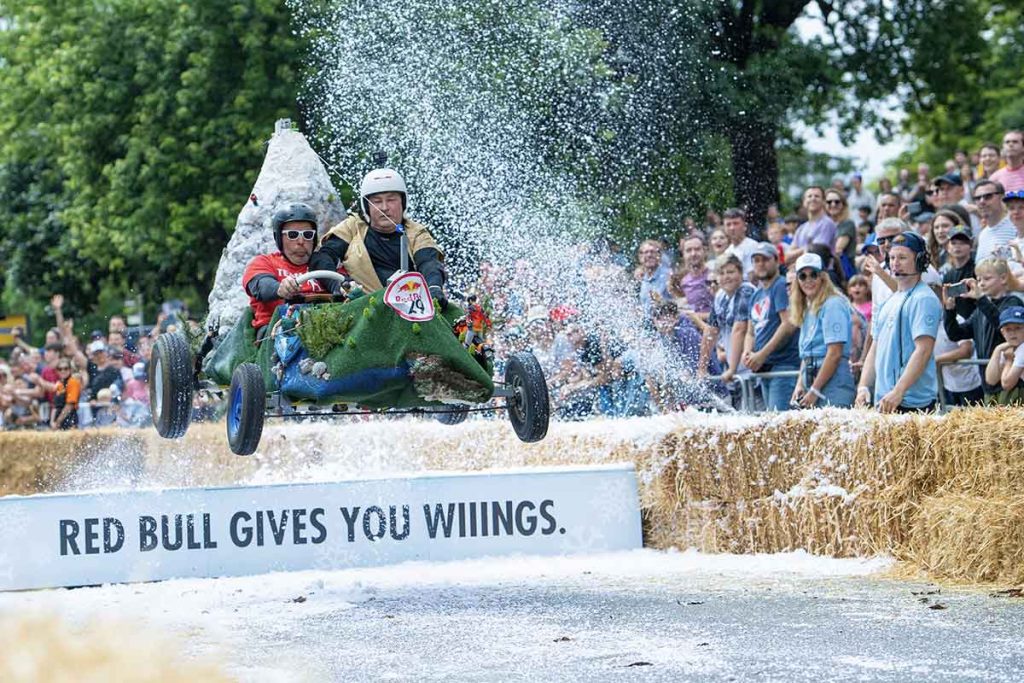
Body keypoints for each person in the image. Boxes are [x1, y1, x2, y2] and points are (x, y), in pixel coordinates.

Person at [310, 168, 446, 304]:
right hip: (362, 309)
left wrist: (433, 287)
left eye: (391, 200)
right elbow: (323, 257)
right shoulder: (352, 227)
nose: (384, 207)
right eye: (377, 201)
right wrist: (339, 284)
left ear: (403, 202)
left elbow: (429, 263)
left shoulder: (416, 232)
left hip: (409, 309)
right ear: (366, 206)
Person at [856, 232, 942, 413]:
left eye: (902, 257)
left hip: (912, 401)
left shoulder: (924, 299)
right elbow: (876, 346)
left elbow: (924, 350)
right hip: (886, 400)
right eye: (892, 257)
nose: (895, 263)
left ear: (920, 261)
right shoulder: (891, 300)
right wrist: (863, 386)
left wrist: (899, 390)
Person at [942, 257, 1024, 396]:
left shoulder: (1013, 302)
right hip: (988, 383)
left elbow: (1002, 325)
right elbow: (955, 334)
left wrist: (981, 299)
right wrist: (950, 310)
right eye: (979, 280)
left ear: (1003, 278)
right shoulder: (980, 309)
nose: (981, 284)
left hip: (1012, 384)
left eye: (987, 279)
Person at [243, 202, 324, 337]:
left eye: (308, 234)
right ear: (279, 238)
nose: (301, 241)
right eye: (292, 235)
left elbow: (345, 284)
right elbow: (261, 286)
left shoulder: (325, 265)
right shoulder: (263, 262)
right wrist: (280, 288)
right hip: (274, 332)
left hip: (324, 328)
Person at [789, 253, 856, 408]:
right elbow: (806, 354)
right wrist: (800, 384)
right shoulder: (807, 308)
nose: (808, 280)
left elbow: (834, 353)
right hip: (812, 376)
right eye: (802, 276)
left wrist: (815, 390)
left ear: (823, 277)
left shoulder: (833, 304)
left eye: (814, 275)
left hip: (832, 381)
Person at [742, 242, 800, 411]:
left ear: (776, 261)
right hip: (764, 366)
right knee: (771, 422)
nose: (760, 264)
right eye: (756, 260)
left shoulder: (781, 285)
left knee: (779, 423)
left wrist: (761, 354)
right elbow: (750, 332)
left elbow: (788, 324)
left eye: (765, 260)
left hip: (784, 364)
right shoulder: (755, 294)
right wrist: (748, 352)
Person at [787, 186, 837, 264]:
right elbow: (787, 256)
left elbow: (816, 252)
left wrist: (800, 252)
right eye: (809, 196)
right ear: (804, 202)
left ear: (824, 201)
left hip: (823, 272)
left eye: (817, 196)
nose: (813, 199)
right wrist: (805, 248)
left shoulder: (827, 224)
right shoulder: (801, 228)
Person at [984, 306, 1024, 404]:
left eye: (1018, 328)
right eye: (1008, 329)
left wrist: (1009, 361)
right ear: (1003, 332)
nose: (1013, 333)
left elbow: (1006, 384)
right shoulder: (1008, 347)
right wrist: (997, 350)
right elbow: (991, 380)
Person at [50, 360, 81, 430]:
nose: (62, 371)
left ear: (70, 370)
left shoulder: (73, 382)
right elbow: (55, 406)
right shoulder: (60, 384)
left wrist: (57, 422)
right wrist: (52, 422)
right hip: (58, 419)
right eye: (60, 369)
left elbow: (69, 406)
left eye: (65, 368)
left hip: (69, 418)